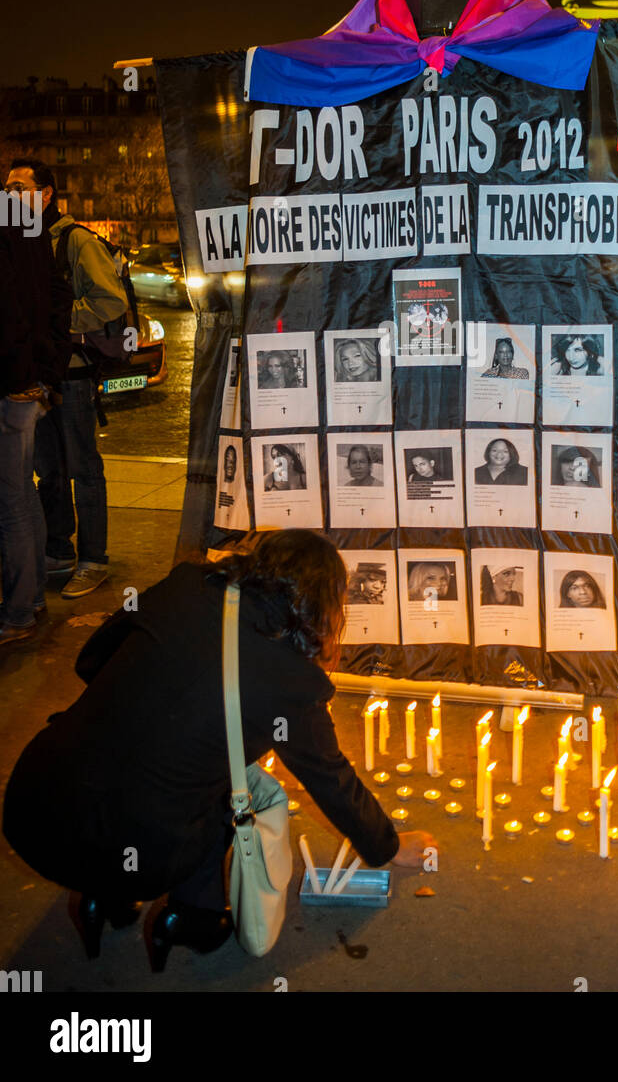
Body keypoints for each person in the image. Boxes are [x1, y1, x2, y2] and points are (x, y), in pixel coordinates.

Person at [2, 530, 434, 967]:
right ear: (323, 607)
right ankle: (192, 917)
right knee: (227, 789)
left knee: (141, 766)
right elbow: (330, 778)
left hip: (33, 803)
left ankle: (104, 898)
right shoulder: (292, 682)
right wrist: (390, 847)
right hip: (138, 845)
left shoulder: (188, 584)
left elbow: (91, 658)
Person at [7, 162, 129, 599]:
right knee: (49, 470)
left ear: (45, 195)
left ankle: (93, 559)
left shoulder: (74, 239)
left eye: (19, 187)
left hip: (74, 372)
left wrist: (56, 324)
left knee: (83, 468)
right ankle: (58, 550)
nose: (9, 194)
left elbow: (110, 301)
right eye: (6, 187)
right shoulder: (24, 240)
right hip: (45, 374)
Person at [0, 200, 72, 649]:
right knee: (20, 494)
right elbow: (55, 299)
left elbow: (9, 317)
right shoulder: (30, 232)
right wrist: (47, 373)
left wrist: (24, 375)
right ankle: (31, 598)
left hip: (11, 384)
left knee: (10, 502)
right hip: (25, 382)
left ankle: (18, 609)